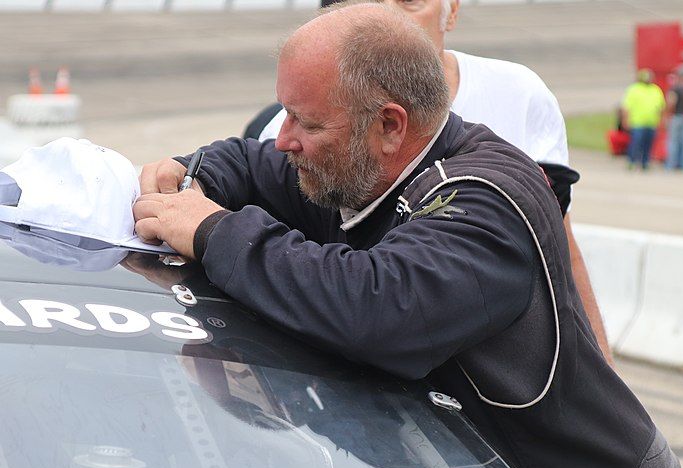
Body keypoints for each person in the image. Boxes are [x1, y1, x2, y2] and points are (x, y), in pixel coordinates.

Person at [134, 3, 683, 468]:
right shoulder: (353, 166)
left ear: (389, 126)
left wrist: (213, 231)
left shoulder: (488, 197)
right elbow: (251, 163)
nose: (285, 140)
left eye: (306, 123)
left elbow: (376, 310)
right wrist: (187, 171)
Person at [246, 0, 614, 366]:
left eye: (409, 1)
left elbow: (561, 250)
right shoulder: (287, 126)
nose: (387, 13)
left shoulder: (519, 95)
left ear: (450, 11)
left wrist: (604, 370)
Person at [621, 68, 666, 170]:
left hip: (651, 122)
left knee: (648, 144)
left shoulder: (655, 90)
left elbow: (661, 107)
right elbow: (626, 107)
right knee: (636, 143)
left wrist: (662, 121)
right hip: (637, 122)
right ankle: (631, 161)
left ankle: (645, 163)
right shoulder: (633, 89)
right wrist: (625, 120)